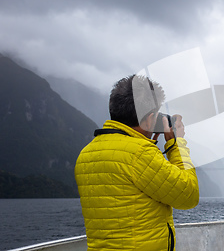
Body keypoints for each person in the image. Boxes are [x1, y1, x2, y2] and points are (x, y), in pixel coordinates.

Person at [75, 75, 199, 251]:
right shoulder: (140, 154)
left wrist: (148, 141)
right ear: (149, 119)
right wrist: (176, 144)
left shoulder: (86, 154)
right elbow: (189, 195)